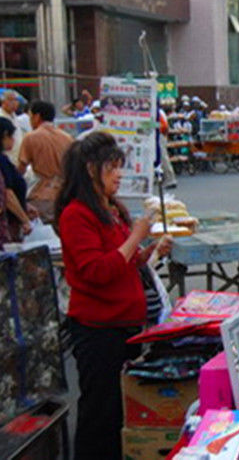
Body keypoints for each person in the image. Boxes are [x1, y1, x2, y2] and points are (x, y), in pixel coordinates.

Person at [57, 132, 172, 460]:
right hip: (98, 328)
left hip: (126, 324)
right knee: (100, 414)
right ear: (91, 169)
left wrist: (150, 249)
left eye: (120, 168)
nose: (120, 175)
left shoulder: (111, 208)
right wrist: (135, 236)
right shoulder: (76, 214)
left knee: (120, 409)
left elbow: (125, 262)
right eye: (113, 168)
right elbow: (97, 271)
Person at [18, 100, 74, 223]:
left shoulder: (31, 137)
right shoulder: (67, 137)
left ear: (37, 117)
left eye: (31, 116)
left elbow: (20, 170)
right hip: (66, 194)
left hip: (42, 195)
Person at [0, 119, 30, 240]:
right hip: (8, 223)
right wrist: (25, 220)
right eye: (11, 136)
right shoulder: (1, 161)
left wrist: (25, 206)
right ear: (5, 135)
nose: (13, 140)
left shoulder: (4, 159)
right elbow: (7, 194)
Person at [0, 90, 23, 164]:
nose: (14, 103)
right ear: (3, 102)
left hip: (17, 157)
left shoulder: (15, 116)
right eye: (10, 100)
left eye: (15, 100)